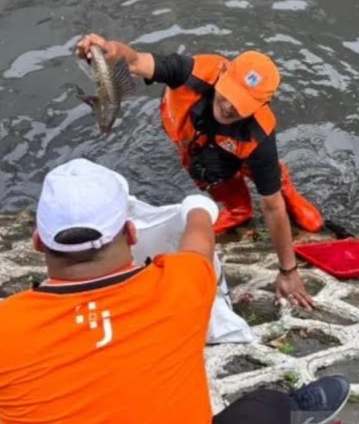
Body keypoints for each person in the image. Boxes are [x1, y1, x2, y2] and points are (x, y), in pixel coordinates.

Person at [0, 158, 350, 424]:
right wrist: (198, 207)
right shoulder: (178, 286)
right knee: (265, 407)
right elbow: (198, 244)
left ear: (39, 243)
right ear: (131, 233)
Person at [76, 34, 321, 310]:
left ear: (259, 107)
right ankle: (240, 210)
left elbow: (272, 206)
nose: (228, 107)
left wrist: (288, 270)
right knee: (212, 175)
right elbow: (135, 61)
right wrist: (111, 51)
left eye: (241, 104)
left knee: (310, 222)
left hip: (241, 150)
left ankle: (280, 179)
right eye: (228, 94)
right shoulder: (192, 73)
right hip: (202, 146)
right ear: (224, 75)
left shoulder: (259, 136)